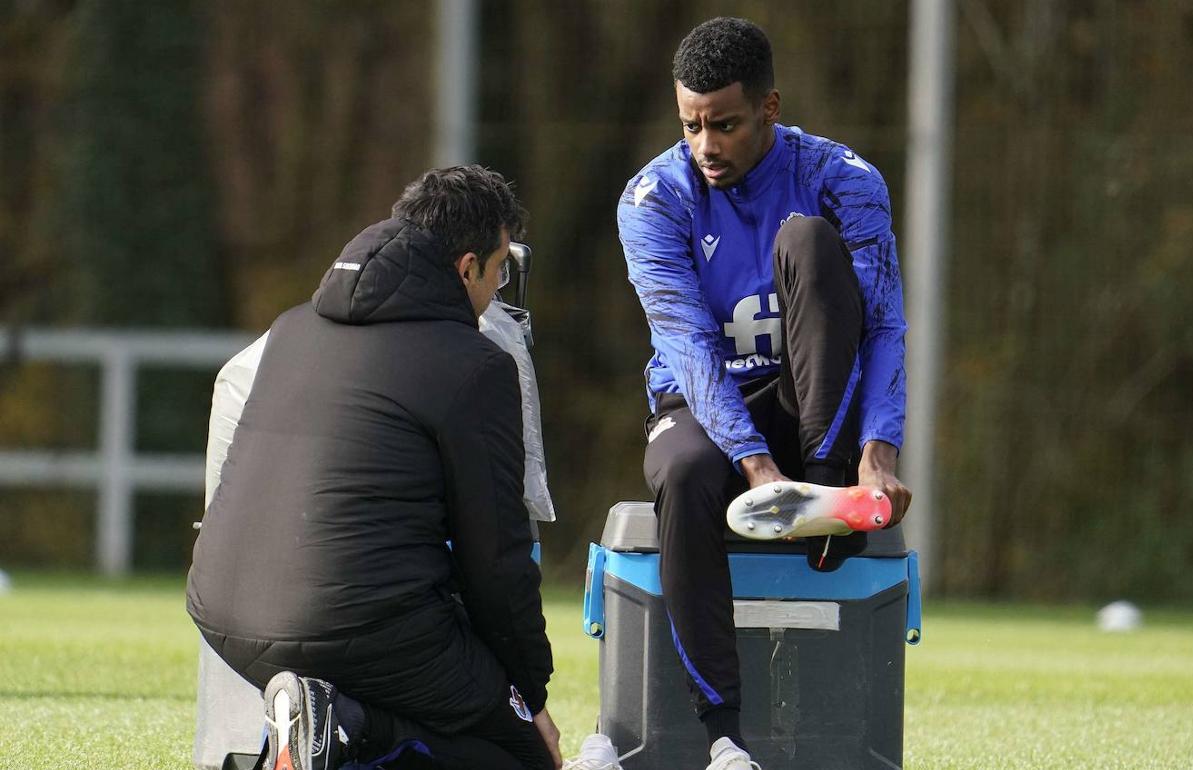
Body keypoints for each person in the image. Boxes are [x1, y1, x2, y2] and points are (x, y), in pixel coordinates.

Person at [187, 165, 561, 770]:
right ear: (466, 268)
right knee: (519, 756)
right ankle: (341, 726)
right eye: (498, 270)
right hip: (356, 625)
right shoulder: (476, 364)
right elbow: (495, 560)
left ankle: (310, 730)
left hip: (223, 616)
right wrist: (528, 694)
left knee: (396, 683)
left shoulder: (289, 329)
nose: (498, 288)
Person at [616, 17, 913, 770]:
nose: (706, 146)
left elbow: (883, 324)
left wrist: (876, 452)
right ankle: (721, 734)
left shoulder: (844, 178)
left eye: (725, 124)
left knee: (810, 241)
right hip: (702, 406)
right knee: (683, 476)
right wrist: (754, 470)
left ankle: (823, 500)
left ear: (770, 109)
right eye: (690, 125)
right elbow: (686, 346)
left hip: (810, 413)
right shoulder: (653, 199)